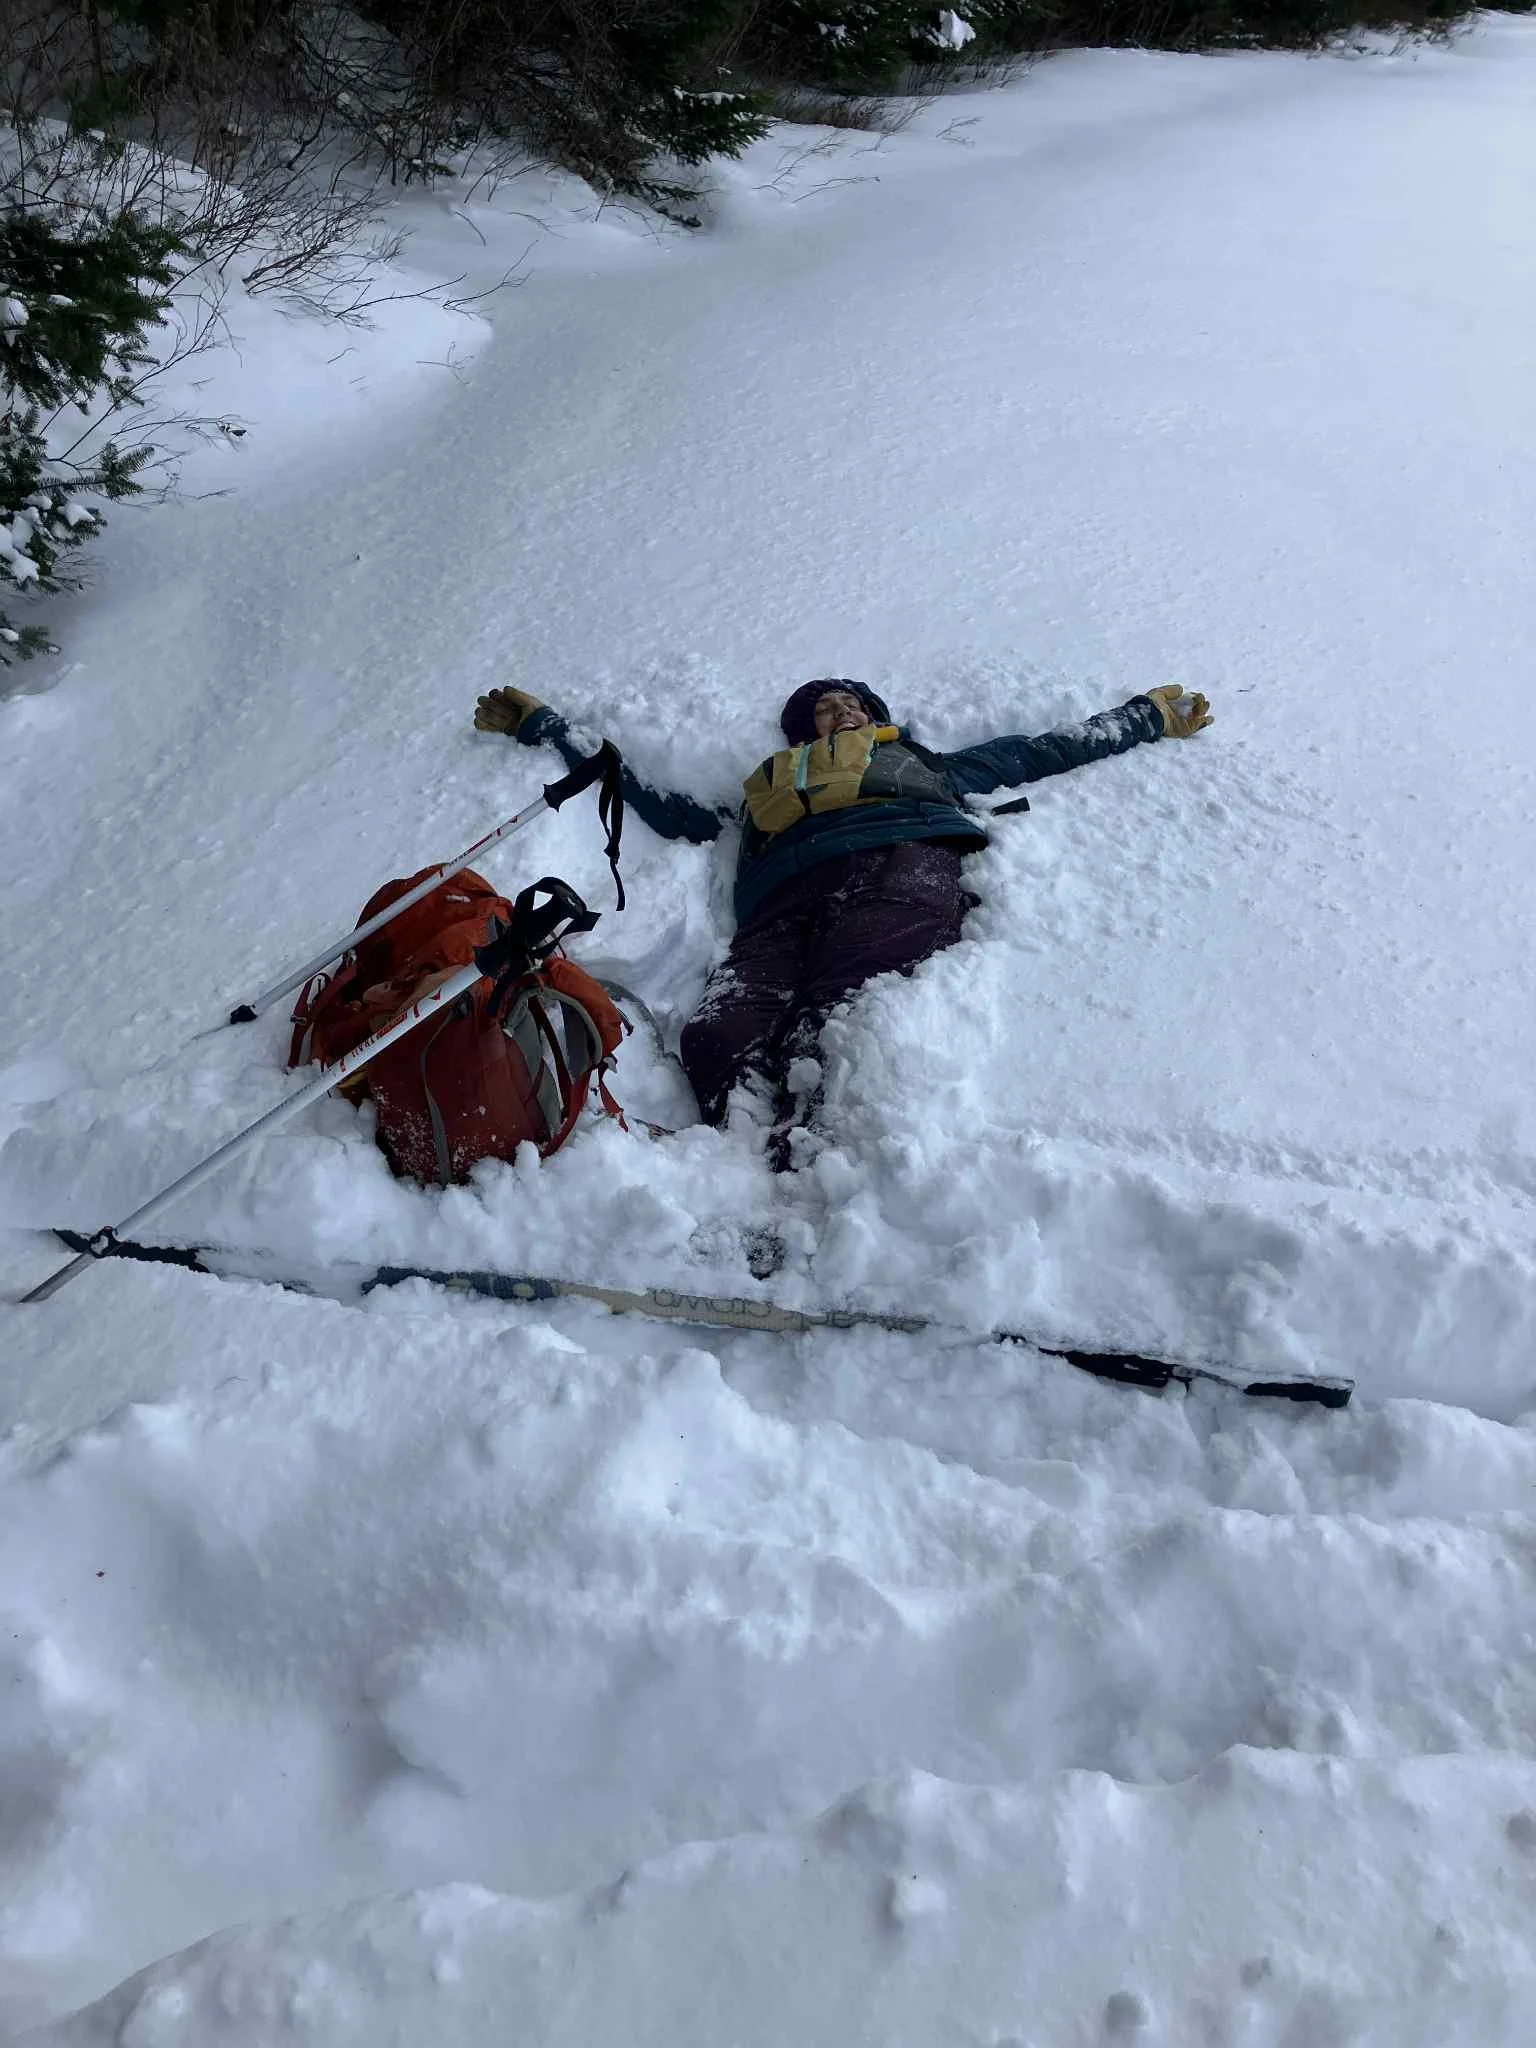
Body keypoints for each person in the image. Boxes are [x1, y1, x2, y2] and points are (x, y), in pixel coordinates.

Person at [474, 676, 1212, 1158]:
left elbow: (1036, 752)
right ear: (800, 732)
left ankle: (816, 1164)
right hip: (782, 903)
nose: (840, 710)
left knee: (836, 1012)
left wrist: (1142, 718)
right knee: (718, 1029)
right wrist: (551, 728)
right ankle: (738, 1151)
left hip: (900, 862)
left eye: (852, 704)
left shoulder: (928, 764)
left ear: (874, 717)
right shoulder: (761, 795)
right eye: (823, 707)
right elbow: (647, 797)